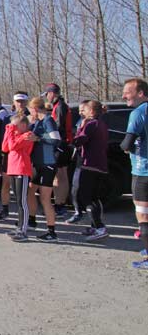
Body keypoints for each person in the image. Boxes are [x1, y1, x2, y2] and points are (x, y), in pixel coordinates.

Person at [73, 100, 110, 243]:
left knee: (87, 197)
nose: (83, 112)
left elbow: (78, 141)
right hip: (100, 165)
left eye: (85, 110)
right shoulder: (101, 123)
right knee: (95, 197)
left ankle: (100, 227)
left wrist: (80, 128)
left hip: (90, 165)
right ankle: (95, 225)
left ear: (92, 112)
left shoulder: (91, 124)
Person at [121, 78, 148, 269]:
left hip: (142, 171)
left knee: (143, 216)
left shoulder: (138, 113)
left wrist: (125, 148)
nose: (124, 96)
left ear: (140, 93)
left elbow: (126, 143)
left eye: (127, 92)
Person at [26, 97, 61, 240]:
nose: (30, 113)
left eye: (30, 110)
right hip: (38, 163)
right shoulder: (38, 122)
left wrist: (39, 139)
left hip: (48, 163)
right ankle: (31, 220)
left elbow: (56, 140)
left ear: (35, 109)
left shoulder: (48, 120)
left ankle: (51, 231)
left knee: (45, 198)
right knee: (30, 191)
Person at [2, 114, 35, 242]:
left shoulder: (28, 135)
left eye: (16, 125)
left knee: (22, 201)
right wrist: (8, 131)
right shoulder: (14, 135)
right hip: (13, 169)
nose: (14, 128)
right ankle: (19, 227)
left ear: (24, 125)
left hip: (22, 170)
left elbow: (13, 146)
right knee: (18, 200)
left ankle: (23, 230)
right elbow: (5, 147)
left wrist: (10, 130)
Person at [44, 83, 73, 217]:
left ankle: (61, 205)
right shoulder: (57, 106)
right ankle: (58, 203)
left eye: (47, 94)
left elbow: (59, 127)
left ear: (52, 93)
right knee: (57, 175)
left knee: (61, 175)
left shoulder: (60, 106)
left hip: (61, 145)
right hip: (60, 144)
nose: (46, 97)